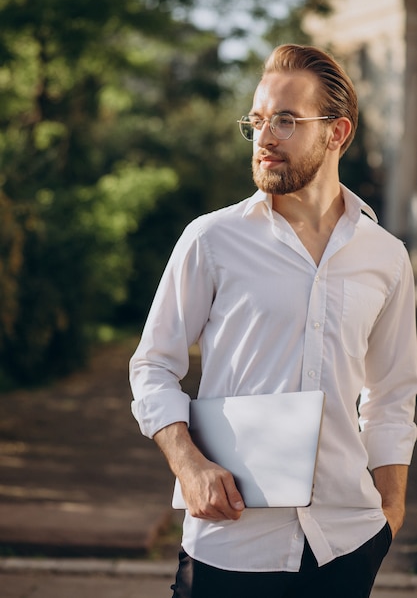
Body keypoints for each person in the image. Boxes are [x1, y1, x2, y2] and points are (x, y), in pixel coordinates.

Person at [129, 44, 417, 598]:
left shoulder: (386, 256)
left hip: (346, 545)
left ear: (337, 133)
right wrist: (189, 465)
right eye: (258, 121)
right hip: (229, 543)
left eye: (286, 120)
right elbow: (152, 367)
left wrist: (390, 512)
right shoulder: (211, 240)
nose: (265, 137)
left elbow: (391, 396)